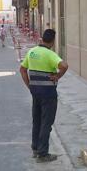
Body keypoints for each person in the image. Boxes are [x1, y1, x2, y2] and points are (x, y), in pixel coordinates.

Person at [20, 29, 68, 163]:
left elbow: (22, 69)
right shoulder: (50, 54)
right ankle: (43, 153)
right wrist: (57, 76)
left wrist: (29, 86)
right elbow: (64, 65)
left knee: (37, 120)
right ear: (52, 41)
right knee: (46, 123)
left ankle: (35, 148)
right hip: (48, 94)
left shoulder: (32, 52)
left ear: (42, 39)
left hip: (35, 92)